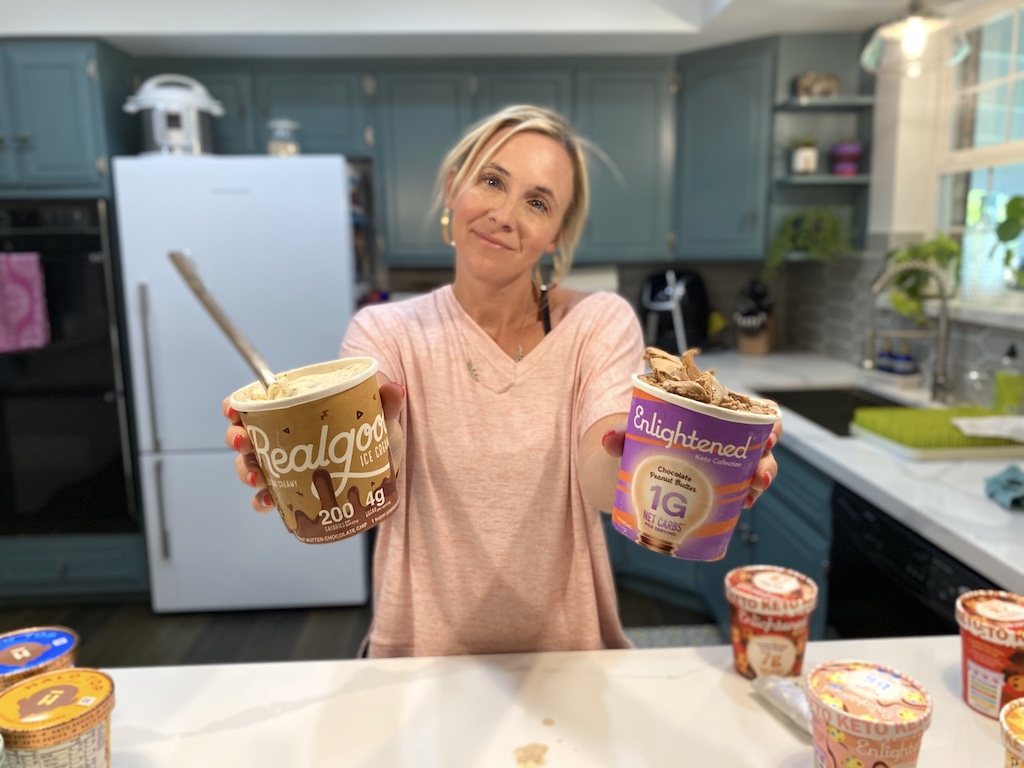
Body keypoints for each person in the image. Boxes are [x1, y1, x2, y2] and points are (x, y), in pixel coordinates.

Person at [223, 105, 782, 659]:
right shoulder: (385, 330)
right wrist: (308, 456)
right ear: (452, 187)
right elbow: (377, 464)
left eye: (537, 202)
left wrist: (691, 461)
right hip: (419, 655)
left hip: (564, 656)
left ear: (555, 234)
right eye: (492, 181)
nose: (505, 215)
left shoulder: (598, 323)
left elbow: (600, 474)